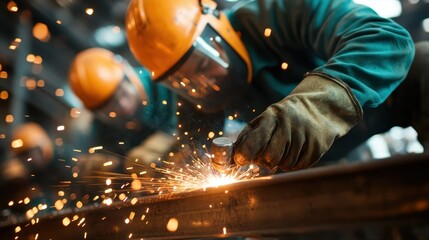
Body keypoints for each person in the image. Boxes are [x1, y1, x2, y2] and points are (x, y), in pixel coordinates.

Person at [125, 0, 421, 174]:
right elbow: (195, 146)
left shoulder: (278, 13)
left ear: (218, 25)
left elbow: (385, 38)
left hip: (378, 104)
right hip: (311, 155)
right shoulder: (196, 92)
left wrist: (316, 106)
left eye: (204, 64)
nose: (204, 83)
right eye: (183, 81)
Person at [68, 48, 180, 174]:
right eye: (111, 108)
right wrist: (112, 168)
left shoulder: (164, 84)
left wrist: (167, 137)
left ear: (129, 75)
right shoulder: (100, 131)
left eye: (123, 94)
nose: (123, 106)